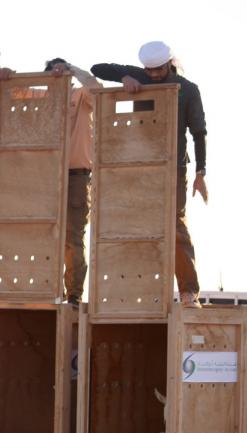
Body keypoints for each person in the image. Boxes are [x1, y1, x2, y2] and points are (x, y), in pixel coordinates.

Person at [92, 41, 207, 306]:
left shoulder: (188, 90)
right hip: (141, 166)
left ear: (170, 63)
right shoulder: (142, 75)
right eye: (149, 70)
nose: (154, 75)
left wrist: (201, 172)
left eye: (158, 70)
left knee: (175, 227)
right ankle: (136, 290)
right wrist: (125, 76)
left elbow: (199, 133)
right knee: (136, 225)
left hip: (174, 168)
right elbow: (97, 68)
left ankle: (189, 290)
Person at [0, 57, 102, 304]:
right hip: (43, 176)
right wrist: (5, 71)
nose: (57, 79)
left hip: (76, 176)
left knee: (72, 238)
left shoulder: (81, 96)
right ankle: (46, 292)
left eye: (62, 75)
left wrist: (73, 68)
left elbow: (98, 89)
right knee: (40, 234)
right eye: (52, 75)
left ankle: (73, 295)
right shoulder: (40, 97)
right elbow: (7, 90)